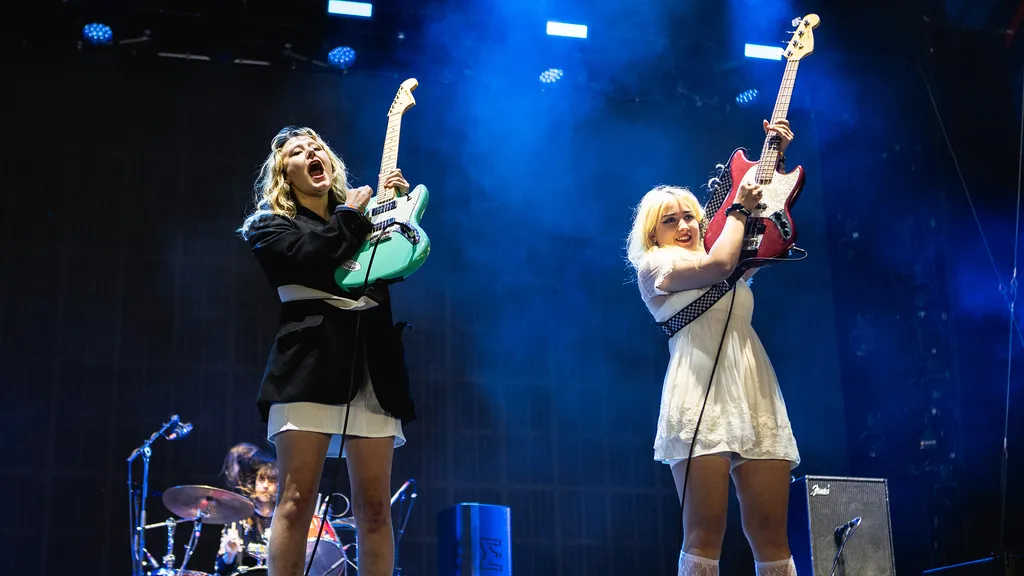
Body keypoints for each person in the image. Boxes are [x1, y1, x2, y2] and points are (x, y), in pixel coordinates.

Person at [238, 126, 417, 576]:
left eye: (317, 147)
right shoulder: (269, 226)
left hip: (373, 368)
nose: (311, 153)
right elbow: (310, 256)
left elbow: (397, 263)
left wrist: (397, 215)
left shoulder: (364, 216)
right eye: (298, 152)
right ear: (285, 173)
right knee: (297, 502)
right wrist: (355, 217)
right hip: (308, 366)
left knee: (375, 508)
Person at [625, 119, 802, 576]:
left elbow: (761, 240)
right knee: (705, 532)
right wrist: (738, 212)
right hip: (699, 387)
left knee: (772, 534)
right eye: (671, 220)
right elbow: (720, 263)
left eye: (690, 217)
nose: (684, 225)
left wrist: (773, 156)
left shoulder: (723, 245)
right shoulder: (657, 266)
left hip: (752, 383)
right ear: (653, 234)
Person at [214, 443, 279, 575]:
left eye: (271, 481)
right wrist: (230, 555)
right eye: (261, 480)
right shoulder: (239, 516)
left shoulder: (283, 517)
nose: (265, 486)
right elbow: (221, 572)